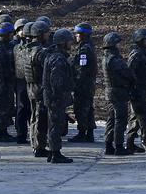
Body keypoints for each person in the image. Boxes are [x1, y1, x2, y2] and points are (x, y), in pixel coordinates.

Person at [42, 28, 75, 163]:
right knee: (56, 125)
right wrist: (58, 96)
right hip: (56, 98)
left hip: (53, 97)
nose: (71, 43)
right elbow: (56, 81)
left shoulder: (53, 56)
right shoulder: (58, 59)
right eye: (68, 41)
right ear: (62, 42)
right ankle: (55, 153)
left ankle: (52, 151)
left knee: (53, 124)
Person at [102, 32, 135, 156]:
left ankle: (108, 145)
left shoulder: (106, 57)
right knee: (120, 120)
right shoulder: (114, 59)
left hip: (110, 92)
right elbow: (127, 73)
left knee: (111, 119)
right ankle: (119, 146)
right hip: (118, 92)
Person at [126, 28, 146, 153]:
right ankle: (132, 142)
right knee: (138, 117)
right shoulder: (136, 54)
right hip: (137, 90)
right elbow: (129, 72)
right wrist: (133, 88)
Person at [27, 20, 53, 158]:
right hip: (39, 88)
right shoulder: (40, 52)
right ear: (40, 34)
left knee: (34, 117)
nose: (48, 35)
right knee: (40, 119)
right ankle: (39, 147)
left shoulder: (28, 49)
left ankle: (35, 144)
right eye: (46, 33)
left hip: (31, 87)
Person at [69, 22, 97, 142]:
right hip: (88, 83)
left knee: (81, 108)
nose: (76, 36)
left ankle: (82, 133)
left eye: (78, 34)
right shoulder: (88, 46)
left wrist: (75, 83)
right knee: (88, 108)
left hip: (83, 84)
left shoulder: (84, 49)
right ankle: (89, 133)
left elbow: (82, 68)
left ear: (83, 35)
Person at [0, 21, 17, 142]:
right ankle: (1, 133)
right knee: (2, 108)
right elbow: (0, 68)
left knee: (7, 107)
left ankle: (4, 131)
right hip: (2, 83)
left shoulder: (6, 46)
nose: (12, 36)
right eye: (10, 33)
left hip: (6, 83)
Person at [13, 19, 32, 144]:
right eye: (20, 29)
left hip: (31, 80)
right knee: (21, 108)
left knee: (32, 108)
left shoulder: (32, 47)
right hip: (20, 81)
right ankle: (21, 134)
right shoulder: (16, 47)